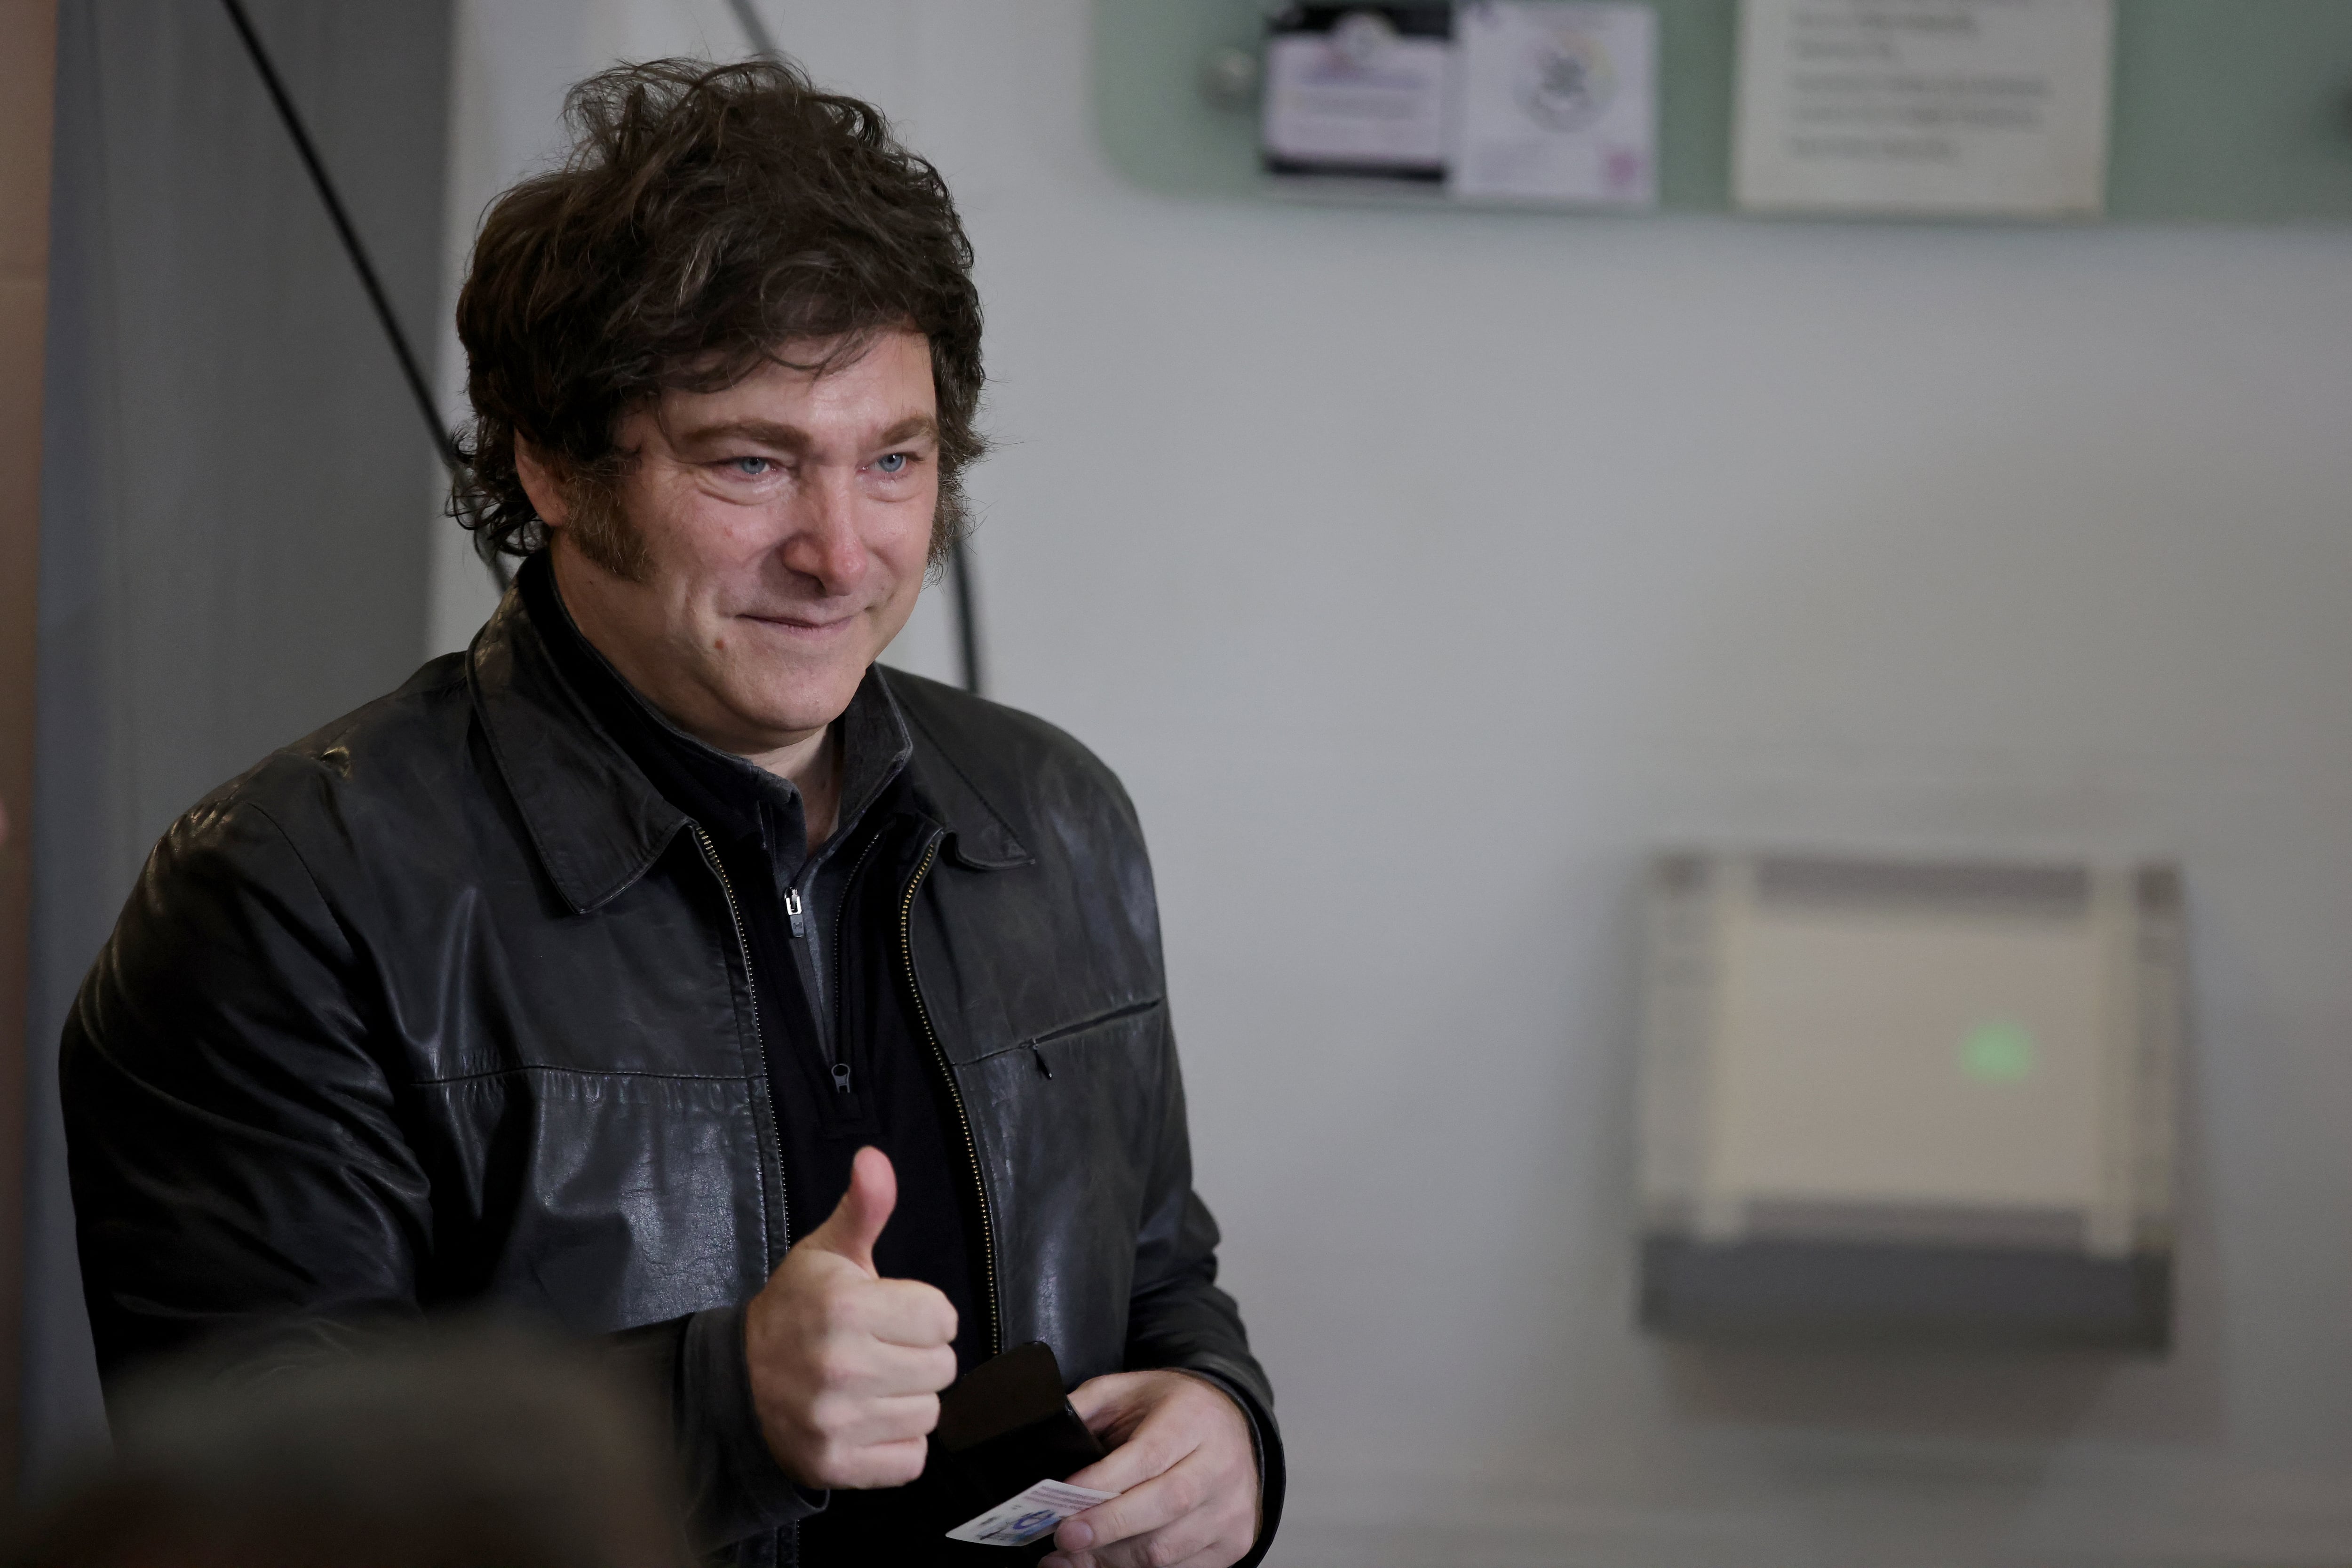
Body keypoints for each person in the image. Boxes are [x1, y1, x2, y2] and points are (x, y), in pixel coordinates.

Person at [62, 57, 1278, 1568]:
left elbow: (1163, 1279)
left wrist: (1220, 1424)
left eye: (891, 461)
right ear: (555, 466)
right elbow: (253, 1508)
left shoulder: (1053, 814)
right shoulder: (288, 891)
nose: (843, 554)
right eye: (753, 463)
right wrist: (722, 1407)